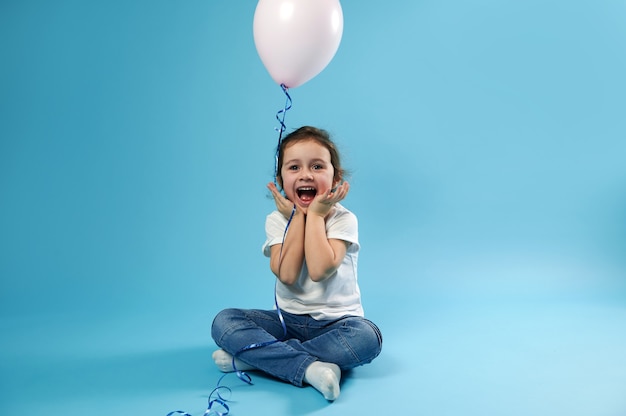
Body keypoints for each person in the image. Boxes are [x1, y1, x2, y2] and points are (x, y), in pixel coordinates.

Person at [211, 126, 382, 401]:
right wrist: (297, 219)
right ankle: (313, 368)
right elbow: (288, 275)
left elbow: (318, 270)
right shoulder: (276, 220)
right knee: (225, 322)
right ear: (280, 179)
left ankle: (258, 359)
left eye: (317, 166)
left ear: (334, 177)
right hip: (286, 321)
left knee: (368, 338)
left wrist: (315, 216)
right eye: (294, 167)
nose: (306, 174)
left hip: (337, 325)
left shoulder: (343, 219)